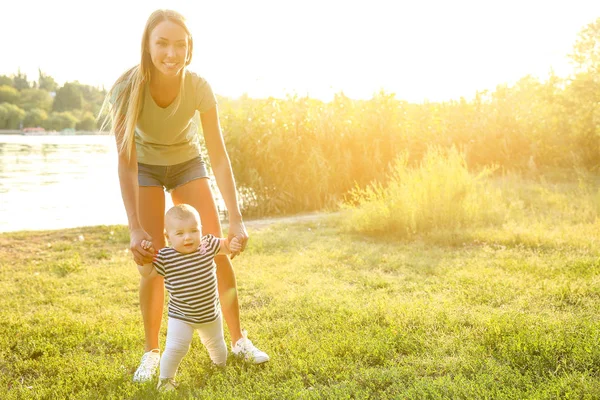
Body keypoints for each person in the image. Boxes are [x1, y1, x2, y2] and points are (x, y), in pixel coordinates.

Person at [101, 8, 269, 382]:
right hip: (144, 166)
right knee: (150, 262)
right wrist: (134, 229)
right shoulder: (126, 88)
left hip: (187, 163)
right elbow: (126, 162)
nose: (171, 53)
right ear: (147, 44)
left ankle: (238, 339)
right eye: (161, 43)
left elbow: (219, 157)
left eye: (180, 45)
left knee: (214, 248)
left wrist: (236, 218)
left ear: (190, 48)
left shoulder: (199, 87)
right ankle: (150, 352)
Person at [138, 204, 240, 391]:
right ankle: (166, 380)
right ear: (168, 237)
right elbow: (148, 273)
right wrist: (143, 259)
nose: (188, 237)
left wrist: (231, 244)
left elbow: (224, 245)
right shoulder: (166, 257)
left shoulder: (206, 246)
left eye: (194, 230)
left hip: (210, 314)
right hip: (181, 317)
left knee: (217, 346)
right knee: (176, 349)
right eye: (180, 233)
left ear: (201, 230)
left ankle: (220, 368)